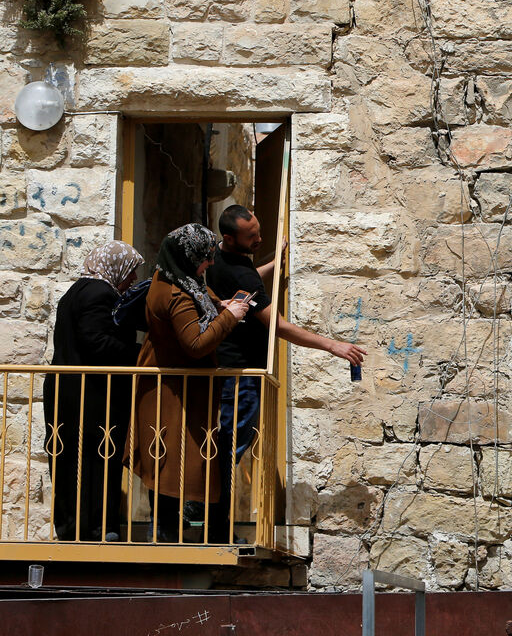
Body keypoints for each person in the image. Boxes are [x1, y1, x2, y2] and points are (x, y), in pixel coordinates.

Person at [203, 205, 365, 542]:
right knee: (230, 448)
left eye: (260, 231)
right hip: (241, 373)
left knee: (223, 446)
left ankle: (207, 521)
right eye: (252, 237)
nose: (260, 238)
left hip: (225, 368)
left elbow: (244, 286)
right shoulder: (240, 272)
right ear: (230, 237)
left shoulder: (219, 258)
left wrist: (273, 266)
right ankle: (212, 527)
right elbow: (278, 326)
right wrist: (332, 346)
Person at [131, 224, 250, 543]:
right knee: (170, 461)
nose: (210, 263)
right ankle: (170, 533)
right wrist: (231, 316)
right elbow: (196, 343)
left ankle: (174, 530)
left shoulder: (178, 277)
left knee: (172, 459)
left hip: (179, 386)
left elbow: (201, 301)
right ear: (188, 257)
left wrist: (220, 306)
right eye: (206, 257)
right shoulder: (175, 293)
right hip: (172, 387)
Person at [44, 241, 145, 542]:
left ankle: (74, 528)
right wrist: (140, 354)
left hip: (69, 391)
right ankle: (95, 529)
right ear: (116, 269)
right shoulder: (100, 293)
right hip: (89, 394)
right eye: (130, 273)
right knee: (94, 458)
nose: (132, 280)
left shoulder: (76, 291)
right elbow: (96, 342)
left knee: (71, 461)